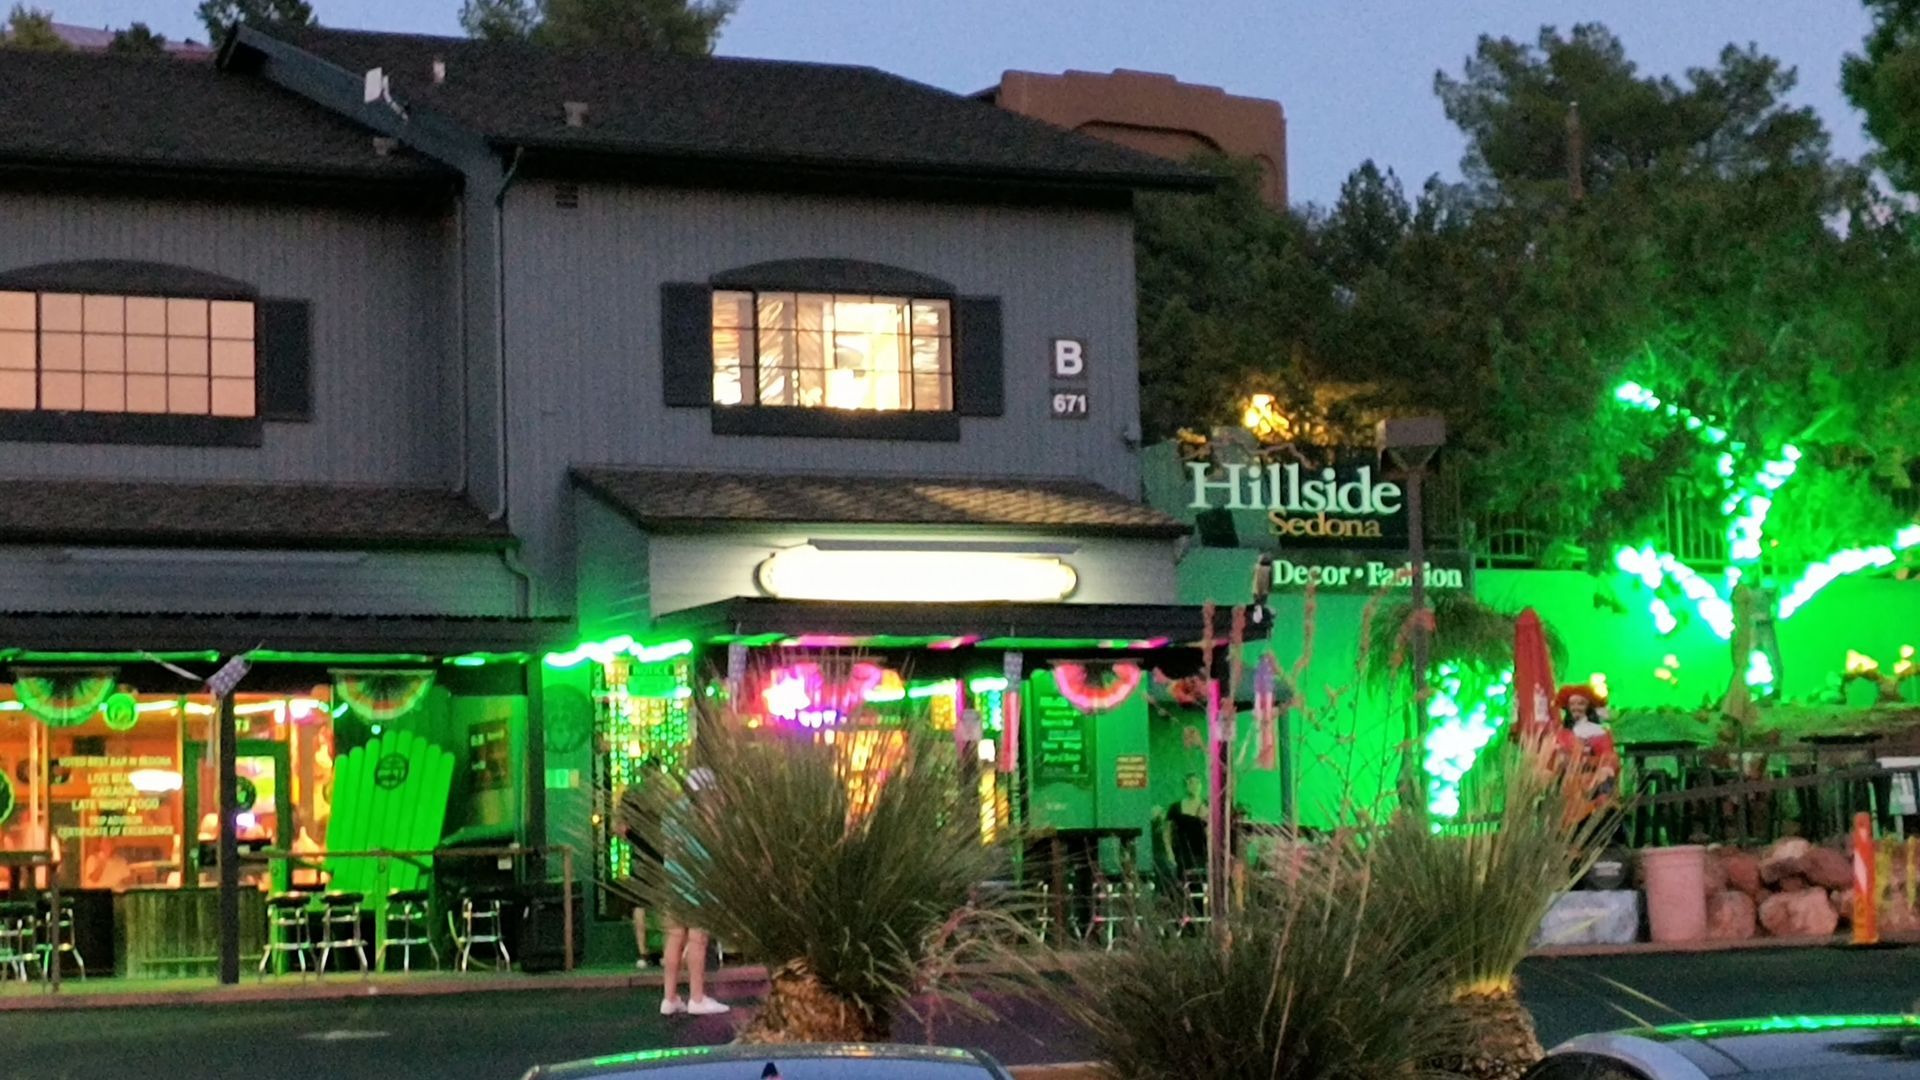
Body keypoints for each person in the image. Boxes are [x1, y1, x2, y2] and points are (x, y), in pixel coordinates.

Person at [657, 767, 729, 1017]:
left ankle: (669, 997)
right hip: (699, 881)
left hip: (673, 881)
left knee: (674, 937)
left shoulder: (672, 812)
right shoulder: (708, 814)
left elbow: (667, 846)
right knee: (698, 938)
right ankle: (697, 998)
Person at [612, 779, 661, 969]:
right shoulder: (664, 797)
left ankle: (643, 952)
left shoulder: (631, 794)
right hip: (662, 854)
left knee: (640, 904)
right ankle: (664, 950)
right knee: (664, 904)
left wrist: (631, 836)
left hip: (639, 854)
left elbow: (619, 829)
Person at [1164, 773, 1208, 881]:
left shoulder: (1207, 806)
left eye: (1197, 783)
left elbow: (1212, 832)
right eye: (1191, 782)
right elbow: (1166, 832)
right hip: (1182, 853)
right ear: (1185, 786)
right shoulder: (1175, 807)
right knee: (1183, 882)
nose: (1194, 786)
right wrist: (1169, 852)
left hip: (1202, 853)